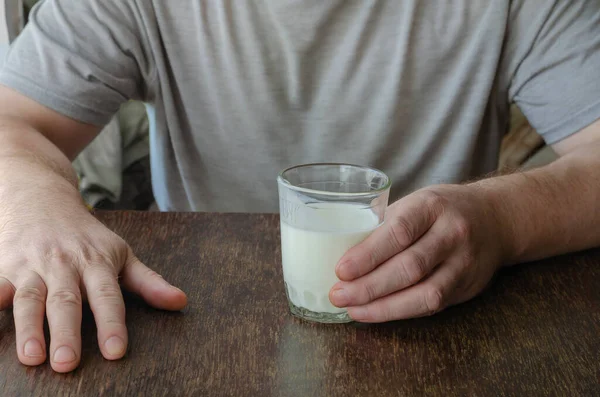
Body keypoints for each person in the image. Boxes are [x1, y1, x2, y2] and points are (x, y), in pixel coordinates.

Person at [0, 0, 599, 373]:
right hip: (198, 321)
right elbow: (12, 121)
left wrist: (503, 220)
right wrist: (38, 205)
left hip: (442, 338)